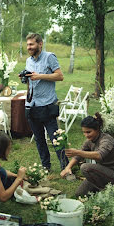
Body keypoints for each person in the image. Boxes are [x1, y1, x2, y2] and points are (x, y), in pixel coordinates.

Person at [22, 32, 69, 173]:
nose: (29, 47)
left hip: (47, 104)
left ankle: (66, 167)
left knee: (55, 138)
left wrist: (39, 76)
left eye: (31, 44)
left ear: (40, 44)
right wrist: (25, 78)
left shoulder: (49, 57)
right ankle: (46, 166)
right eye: (27, 44)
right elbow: (31, 80)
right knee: (39, 139)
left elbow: (60, 76)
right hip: (32, 104)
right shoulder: (28, 61)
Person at [60, 112, 114, 196]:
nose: (86, 135)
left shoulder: (106, 140)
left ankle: (108, 192)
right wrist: (68, 167)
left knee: (85, 167)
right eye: (84, 132)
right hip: (101, 172)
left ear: (97, 129)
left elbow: (99, 155)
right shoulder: (90, 141)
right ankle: (100, 187)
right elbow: (78, 156)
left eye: (88, 132)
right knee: (79, 194)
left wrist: (77, 152)